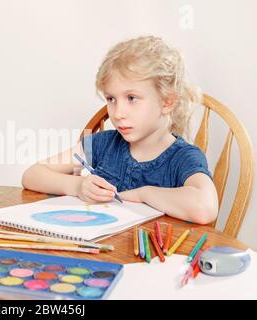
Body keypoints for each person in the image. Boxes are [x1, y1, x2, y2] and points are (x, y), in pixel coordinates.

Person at [22, 35, 218, 224]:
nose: (118, 113)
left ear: (167, 102)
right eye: (111, 99)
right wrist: (78, 186)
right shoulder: (101, 144)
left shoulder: (183, 157)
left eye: (132, 98)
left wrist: (144, 193)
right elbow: (32, 175)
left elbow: (205, 207)